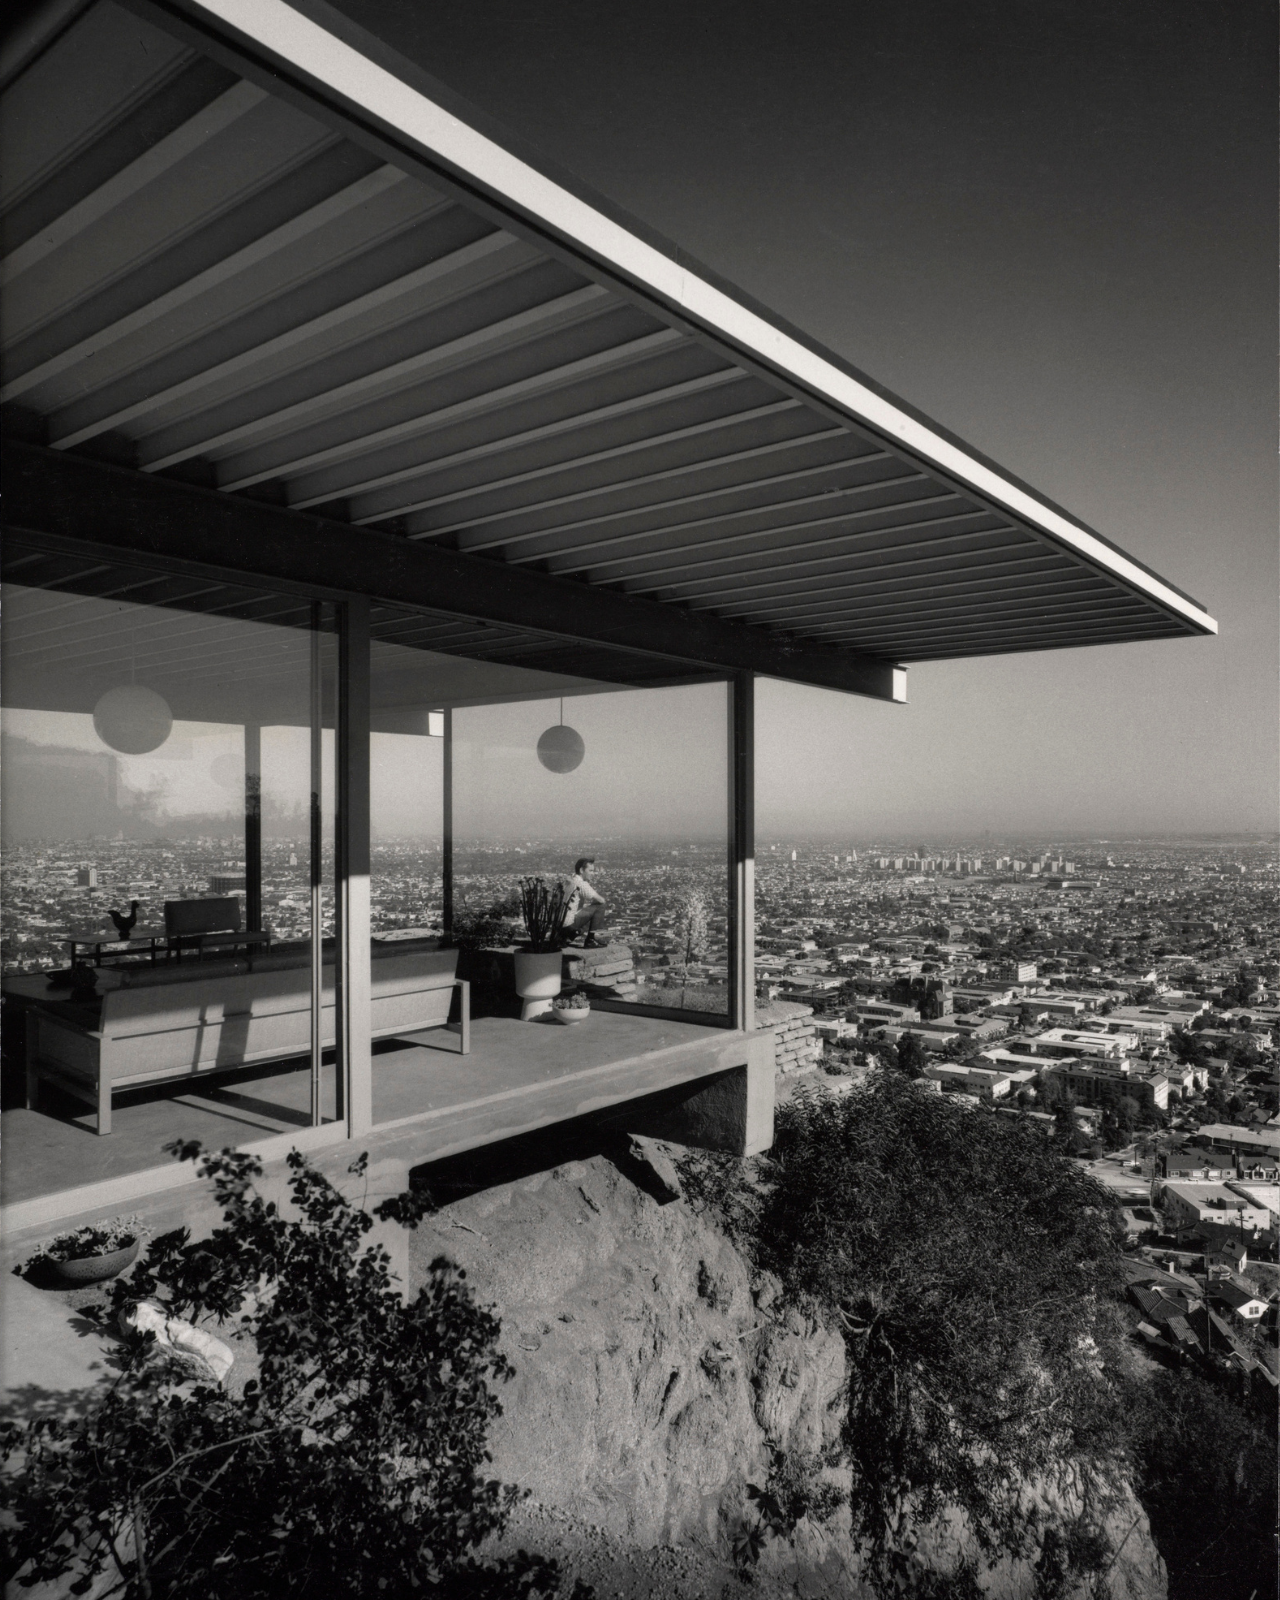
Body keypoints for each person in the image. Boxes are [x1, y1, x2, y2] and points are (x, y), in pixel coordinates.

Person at [565, 857, 607, 948]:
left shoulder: (570, 879)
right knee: (600, 906)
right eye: (591, 871)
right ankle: (591, 939)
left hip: (560, 924)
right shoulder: (581, 883)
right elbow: (601, 900)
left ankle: (568, 935)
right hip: (569, 923)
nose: (593, 873)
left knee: (588, 910)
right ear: (581, 870)